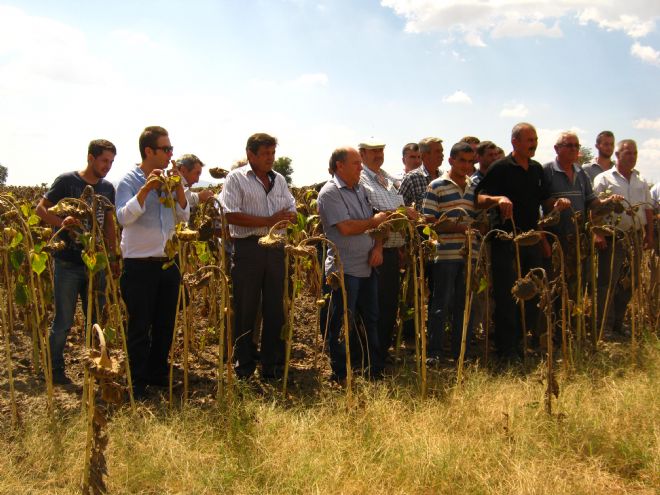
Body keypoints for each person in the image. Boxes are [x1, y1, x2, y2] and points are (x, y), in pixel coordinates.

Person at [475, 122, 570, 361]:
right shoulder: (501, 168)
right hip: (506, 240)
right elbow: (479, 197)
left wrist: (557, 204)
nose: (534, 144)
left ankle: (521, 340)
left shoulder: (537, 169)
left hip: (531, 239)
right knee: (508, 295)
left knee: (533, 292)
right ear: (515, 142)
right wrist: (499, 199)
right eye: (529, 140)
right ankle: (507, 349)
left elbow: (545, 200)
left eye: (535, 139)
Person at [116, 126, 190, 399]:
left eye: (171, 149)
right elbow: (123, 217)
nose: (171, 154)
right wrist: (146, 190)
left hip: (168, 262)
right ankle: (136, 380)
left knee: (164, 323)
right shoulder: (130, 180)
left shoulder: (171, 180)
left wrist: (179, 188)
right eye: (166, 149)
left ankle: (158, 371)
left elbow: (184, 217)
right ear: (149, 151)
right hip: (139, 264)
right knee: (139, 325)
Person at [36, 139, 118, 385]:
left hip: (97, 262)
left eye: (112, 162)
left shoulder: (107, 188)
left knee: (96, 318)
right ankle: (54, 369)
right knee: (63, 320)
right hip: (68, 262)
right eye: (104, 160)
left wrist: (112, 257)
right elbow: (41, 208)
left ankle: (94, 365)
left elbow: (110, 224)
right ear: (90, 158)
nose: (108, 166)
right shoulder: (67, 181)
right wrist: (60, 222)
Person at [220, 132, 296, 379]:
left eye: (273, 153)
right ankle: (244, 366)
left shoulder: (279, 180)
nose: (270, 158)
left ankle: (271, 365)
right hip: (248, 248)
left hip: (275, 248)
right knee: (246, 308)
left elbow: (291, 206)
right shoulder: (236, 178)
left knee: (275, 308)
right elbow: (231, 214)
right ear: (250, 154)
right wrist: (269, 220)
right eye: (265, 154)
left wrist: (290, 216)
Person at [317, 147, 388, 382]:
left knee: (371, 318)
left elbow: (380, 225)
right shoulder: (330, 193)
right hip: (344, 269)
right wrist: (373, 221)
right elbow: (346, 228)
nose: (360, 167)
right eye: (356, 163)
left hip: (368, 265)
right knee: (340, 321)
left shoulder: (361, 189)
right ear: (340, 166)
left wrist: (377, 248)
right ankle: (341, 372)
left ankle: (373, 369)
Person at [422, 142, 478, 361]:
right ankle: (434, 352)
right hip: (444, 255)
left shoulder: (474, 187)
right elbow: (429, 222)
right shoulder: (437, 186)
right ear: (451, 161)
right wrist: (460, 227)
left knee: (465, 305)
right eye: (461, 160)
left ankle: (460, 351)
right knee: (441, 304)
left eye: (469, 161)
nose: (466, 165)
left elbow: (477, 219)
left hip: (468, 254)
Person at [592, 139, 654, 338]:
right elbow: (594, 208)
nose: (632, 156)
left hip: (634, 236)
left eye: (634, 152)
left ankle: (619, 322)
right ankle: (605, 327)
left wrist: (649, 234)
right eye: (628, 152)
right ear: (617, 156)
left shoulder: (641, 180)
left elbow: (648, 209)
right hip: (612, 237)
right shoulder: (604, 179)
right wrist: (597, 232)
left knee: (630, 281)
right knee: (607, 282)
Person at [358, 139, 408, 358]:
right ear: (362, 154)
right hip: (372, 251)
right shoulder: (360, 179)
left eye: (381, 150)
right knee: (372, 306)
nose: (378, 154)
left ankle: (381, 352)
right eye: (373, 151)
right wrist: (401, 214)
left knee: (389, 303)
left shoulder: (387, 178)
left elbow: (395, 208)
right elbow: (371, 213)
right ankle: (369, 354)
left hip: (392, 250)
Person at [399, 137, 444, 211]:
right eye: (437, 152)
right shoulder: (411, 178)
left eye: (442, 151)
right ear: (424, 155)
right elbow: (399, 208)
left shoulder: (445, 178)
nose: (442, 155)